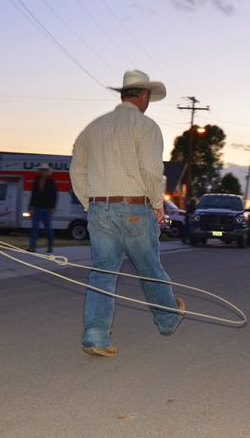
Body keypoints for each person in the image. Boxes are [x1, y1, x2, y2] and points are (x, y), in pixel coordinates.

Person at [70, 70, 185, 357]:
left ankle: (96, 336)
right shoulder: (145, 126)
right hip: (134, 207)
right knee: (149, 268)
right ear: (144, 95)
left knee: (102, 273)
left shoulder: (92, 128)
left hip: (99, 207)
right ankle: (168, 319)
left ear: (123, 94)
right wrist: (158, 203)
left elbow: (76, 170)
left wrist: (90, 203)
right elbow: (150, 169)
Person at [27, 164, 57, 253]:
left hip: (47, 209)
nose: (43, 171)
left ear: (48, 172)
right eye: (41, 170)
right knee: (34, 227)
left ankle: (50, 245)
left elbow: (54, 195)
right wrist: (30, 207)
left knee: (48, 229)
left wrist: (52, 207)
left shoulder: (51, 182)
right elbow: (33, 194)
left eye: (45, 170)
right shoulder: (36, 181)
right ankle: (32, 247)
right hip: (37, 208)